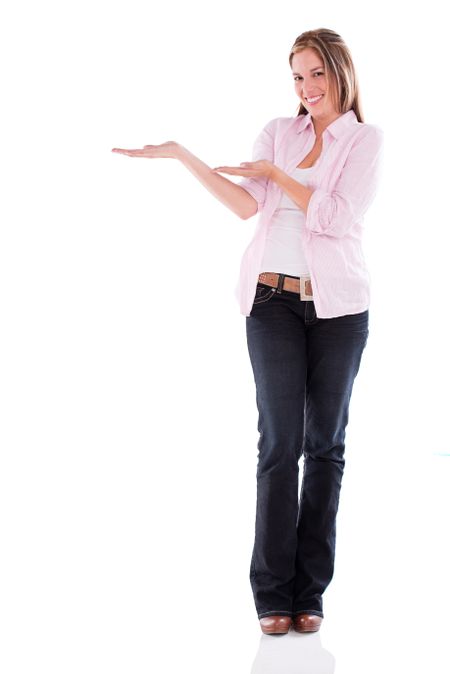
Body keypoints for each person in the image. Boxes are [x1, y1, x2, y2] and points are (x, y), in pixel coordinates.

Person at [112, 27, 384, 637]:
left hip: (339, 310)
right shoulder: (278, 133)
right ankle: (271, 595)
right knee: (278, 443)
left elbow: (336, 218)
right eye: (297, 76)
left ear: (340, 72)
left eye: (316, 73)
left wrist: (279, 176)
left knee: (325, 446)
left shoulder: (364, 140)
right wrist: (185, 155)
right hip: (272, 304)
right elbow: (245, 206)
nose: (307, 87)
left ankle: (310, 591)